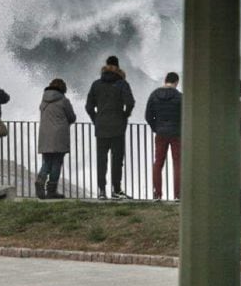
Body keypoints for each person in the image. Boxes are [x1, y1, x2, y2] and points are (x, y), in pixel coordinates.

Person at [85, 55, 135, 200]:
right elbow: (130, 102)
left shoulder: (96, 84)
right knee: (117, 160)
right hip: (117, 128)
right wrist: (125, 115)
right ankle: (116, 190)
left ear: (105, 66)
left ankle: (101, 191)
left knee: (102, 160)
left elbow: (89, 107)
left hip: (101, 128)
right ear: (118, 67)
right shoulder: (122, 84)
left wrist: (96, 120)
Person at [35, 78, 76, 199]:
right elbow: (72, 117)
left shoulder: (43, 101)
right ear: (63, 89)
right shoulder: (64, 100)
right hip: (59, 137)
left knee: (47, 161)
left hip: (45, 136)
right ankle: (51, 191)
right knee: (56, 163)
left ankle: (40, 181)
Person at [145, 71, 182, 201]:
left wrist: (157, 128)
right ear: (176, 82)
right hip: (176, 134)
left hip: (160, 133)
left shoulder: (154, 95)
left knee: (158, 163)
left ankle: (157, 194)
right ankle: (178, 195)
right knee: (177, 163)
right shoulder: (179, 96)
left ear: (165, 81)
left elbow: (148, 115)